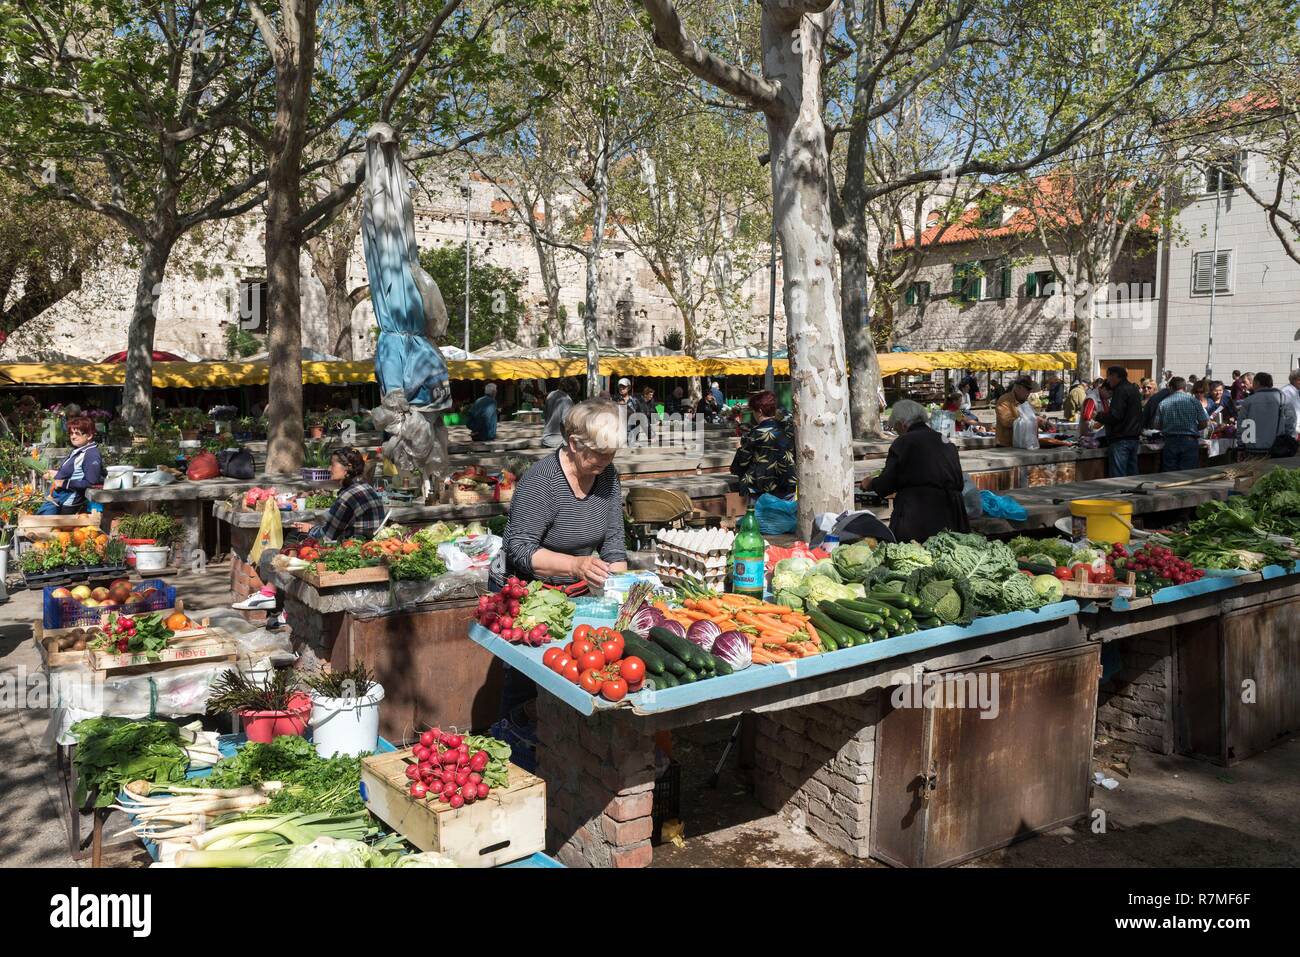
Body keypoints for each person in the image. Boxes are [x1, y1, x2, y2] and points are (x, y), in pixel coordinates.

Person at [494, 399, 629, 720]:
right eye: (598, 454)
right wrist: (576, 565)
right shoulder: (542, 481)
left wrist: (622, 591)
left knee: (574, 678)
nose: (605, 461)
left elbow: (613, 543)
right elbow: (521, 549)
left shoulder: (608, 475)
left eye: (611, 454)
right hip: (527, 599)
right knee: (527, 682)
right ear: (573, 444)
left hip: (576, 598)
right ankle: (512, 733)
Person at [235, 447, 384, 627]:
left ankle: (269, 595)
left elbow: (328, 536)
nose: (330, 469)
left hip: (352, 548)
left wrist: (310, 529)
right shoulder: (366, 487)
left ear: (348, 468)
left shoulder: (347, 496)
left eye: (333, 465)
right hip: (364, 542)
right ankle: (280, 604)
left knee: (295, 536)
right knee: (298, 539)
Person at [863, 400, 970, 542]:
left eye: (895, 427)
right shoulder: (944, 440)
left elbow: (887, 483)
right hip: (953, 514)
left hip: (919, 517)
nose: (897, 431)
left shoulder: (904, 441)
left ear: (902, 424)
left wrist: (870, 483)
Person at [730, 390, 796, 499]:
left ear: (759, 411)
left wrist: (739, 449)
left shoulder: (754, 434)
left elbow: (739, 465)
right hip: (787, 486)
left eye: (753, 411)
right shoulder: (788, 430)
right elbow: (787, 415)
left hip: (761, 489)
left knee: (760, 516)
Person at [38, 415, 103, 514]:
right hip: (57, 497)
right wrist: (56, 474)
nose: (73, 436)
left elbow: (91, 482)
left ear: (89, 435)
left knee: (52, 528)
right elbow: (75, 472)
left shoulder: (91, 454)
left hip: (67, 500)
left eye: (77, 433)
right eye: (71, 433)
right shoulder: (79, 450)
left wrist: (63, 483)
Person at [1095, 365, 1144, 476]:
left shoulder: (1121, 390)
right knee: (1132, 473)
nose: (1107, 380)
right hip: (1133, 437)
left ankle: (1121, 493)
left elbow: (1115, 416)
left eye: (1108, 376)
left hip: (1121, 439)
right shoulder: (1133, 388)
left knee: (1119, 475)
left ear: (1115, 376)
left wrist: (1099, 416)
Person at [1237, 371, 1298, 458]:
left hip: (1253, 449)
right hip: (1278, 448)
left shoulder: (1249, 401)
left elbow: (1242, 425)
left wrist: (1241, 447)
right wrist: (1288, 439)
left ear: (1257, 383)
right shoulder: (1283, 398)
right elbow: (1291, 422)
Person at [1155, 377, 1208, 472]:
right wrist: (1193, 428)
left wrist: (1168, 425)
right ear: (1185, 388)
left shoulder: (1163, 403)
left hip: (1170, 441)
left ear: (1170, 388)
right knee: (1188, 474)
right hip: (1190, 440)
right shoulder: (1194, 401)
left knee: (1169, 474)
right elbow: (1204, 424)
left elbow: (1156, 425)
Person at [994, 376, 1046, 447]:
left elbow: (1031, 419)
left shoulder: (1026, 401)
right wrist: (1034, 420)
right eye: (1027, 389)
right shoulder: (1004, 400)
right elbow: (1007, 422)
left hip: (1024, 444)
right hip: (1007, 445)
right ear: (1018, 388)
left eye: (1030, 390)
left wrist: (1042, 423)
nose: (1029, 392)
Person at [541, 377, 577, 449]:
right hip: (559, 442)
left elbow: (546, 414)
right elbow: (567, 424)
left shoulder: (551, 394)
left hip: (546, 438)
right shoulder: (567, 400)